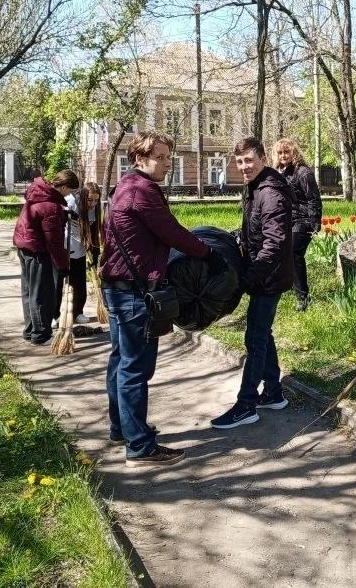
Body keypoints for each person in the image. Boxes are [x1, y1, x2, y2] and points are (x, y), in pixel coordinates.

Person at [101, 131, 227, 466]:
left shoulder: (125, 187)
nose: (167, 164)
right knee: (135, 368)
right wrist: (209, 255)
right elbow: (171, 232)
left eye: (169, 157)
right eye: (160, 157)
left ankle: (123, 428)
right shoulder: (142, 191)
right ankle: (140, 447)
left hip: (117, 286)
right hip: (134, 290)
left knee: (121, 361)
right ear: (139, 158)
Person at [210, 136, 294, 429]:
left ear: (263, 159)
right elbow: (255, 231)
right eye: (240, 161)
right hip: (263, 274)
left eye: (249, 160)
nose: (244, 166)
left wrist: (250, 277)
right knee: (261, 333)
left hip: (268, 276)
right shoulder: (255, 187)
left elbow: (275, 242)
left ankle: (246, 405)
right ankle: (273, 392)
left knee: (255, 338)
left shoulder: (270, 193)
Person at [12, 169, 79, 345]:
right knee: (41, 293)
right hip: (37, 251)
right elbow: (53, 242)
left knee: (29, 291)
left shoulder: (39, 194)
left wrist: (64, 215)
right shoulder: (51, 206)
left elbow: (40, 218)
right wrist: (63, 265)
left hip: (25, 247)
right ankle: (41, 335)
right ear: (63, 186)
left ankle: (30, 330)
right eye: (70, 190)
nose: (69, 195)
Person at [273, 138, 322, 311]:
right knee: (284, 253)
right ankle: (290, 288)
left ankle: (303, 298)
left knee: (294, 254)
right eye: (280, 153)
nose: (283, 155)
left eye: (286, 152)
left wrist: (315, 223)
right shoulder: (282, 172)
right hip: (289, 220)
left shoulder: (303, 172)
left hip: (304, 220)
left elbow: (313, 199)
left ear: (294, 152)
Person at [63, 182, 102, 324]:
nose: (93, 204)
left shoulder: (95, 207)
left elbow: (93, 228)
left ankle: (78, 312)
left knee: (80, 281)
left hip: (81, 246)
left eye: (96, 200)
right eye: (90, 200)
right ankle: (57, 314)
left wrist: (95, 249)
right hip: (66, 244)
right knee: (65, 281)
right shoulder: (71, 202)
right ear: (84, 196)